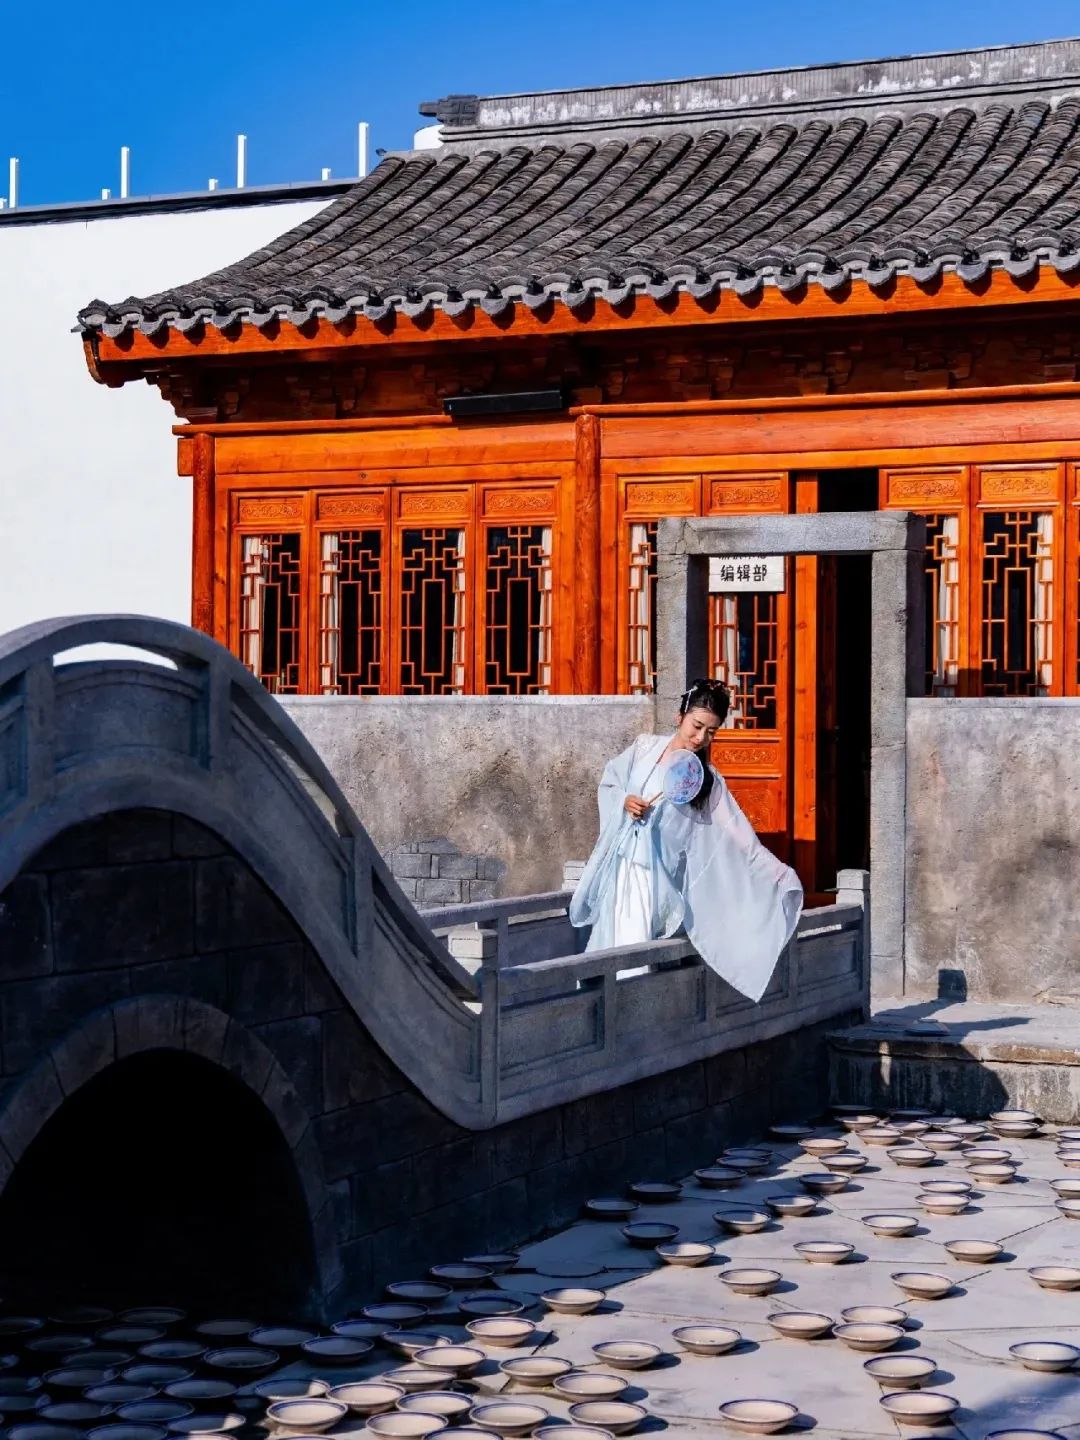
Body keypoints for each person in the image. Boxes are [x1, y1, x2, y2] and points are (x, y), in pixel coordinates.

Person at [569, 678, 803, 1001]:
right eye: (697, 726)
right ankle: (598, 1013)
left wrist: (777, 872)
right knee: (606, 945)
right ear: (680, 716)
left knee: (633, 950)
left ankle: (632, 1013)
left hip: (654, 880)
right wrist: (625, 801)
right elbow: (611, 783)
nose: (700, 738)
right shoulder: (644, 749)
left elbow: (738, 835)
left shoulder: (705, 781)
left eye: (711, 732)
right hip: (621, 870)